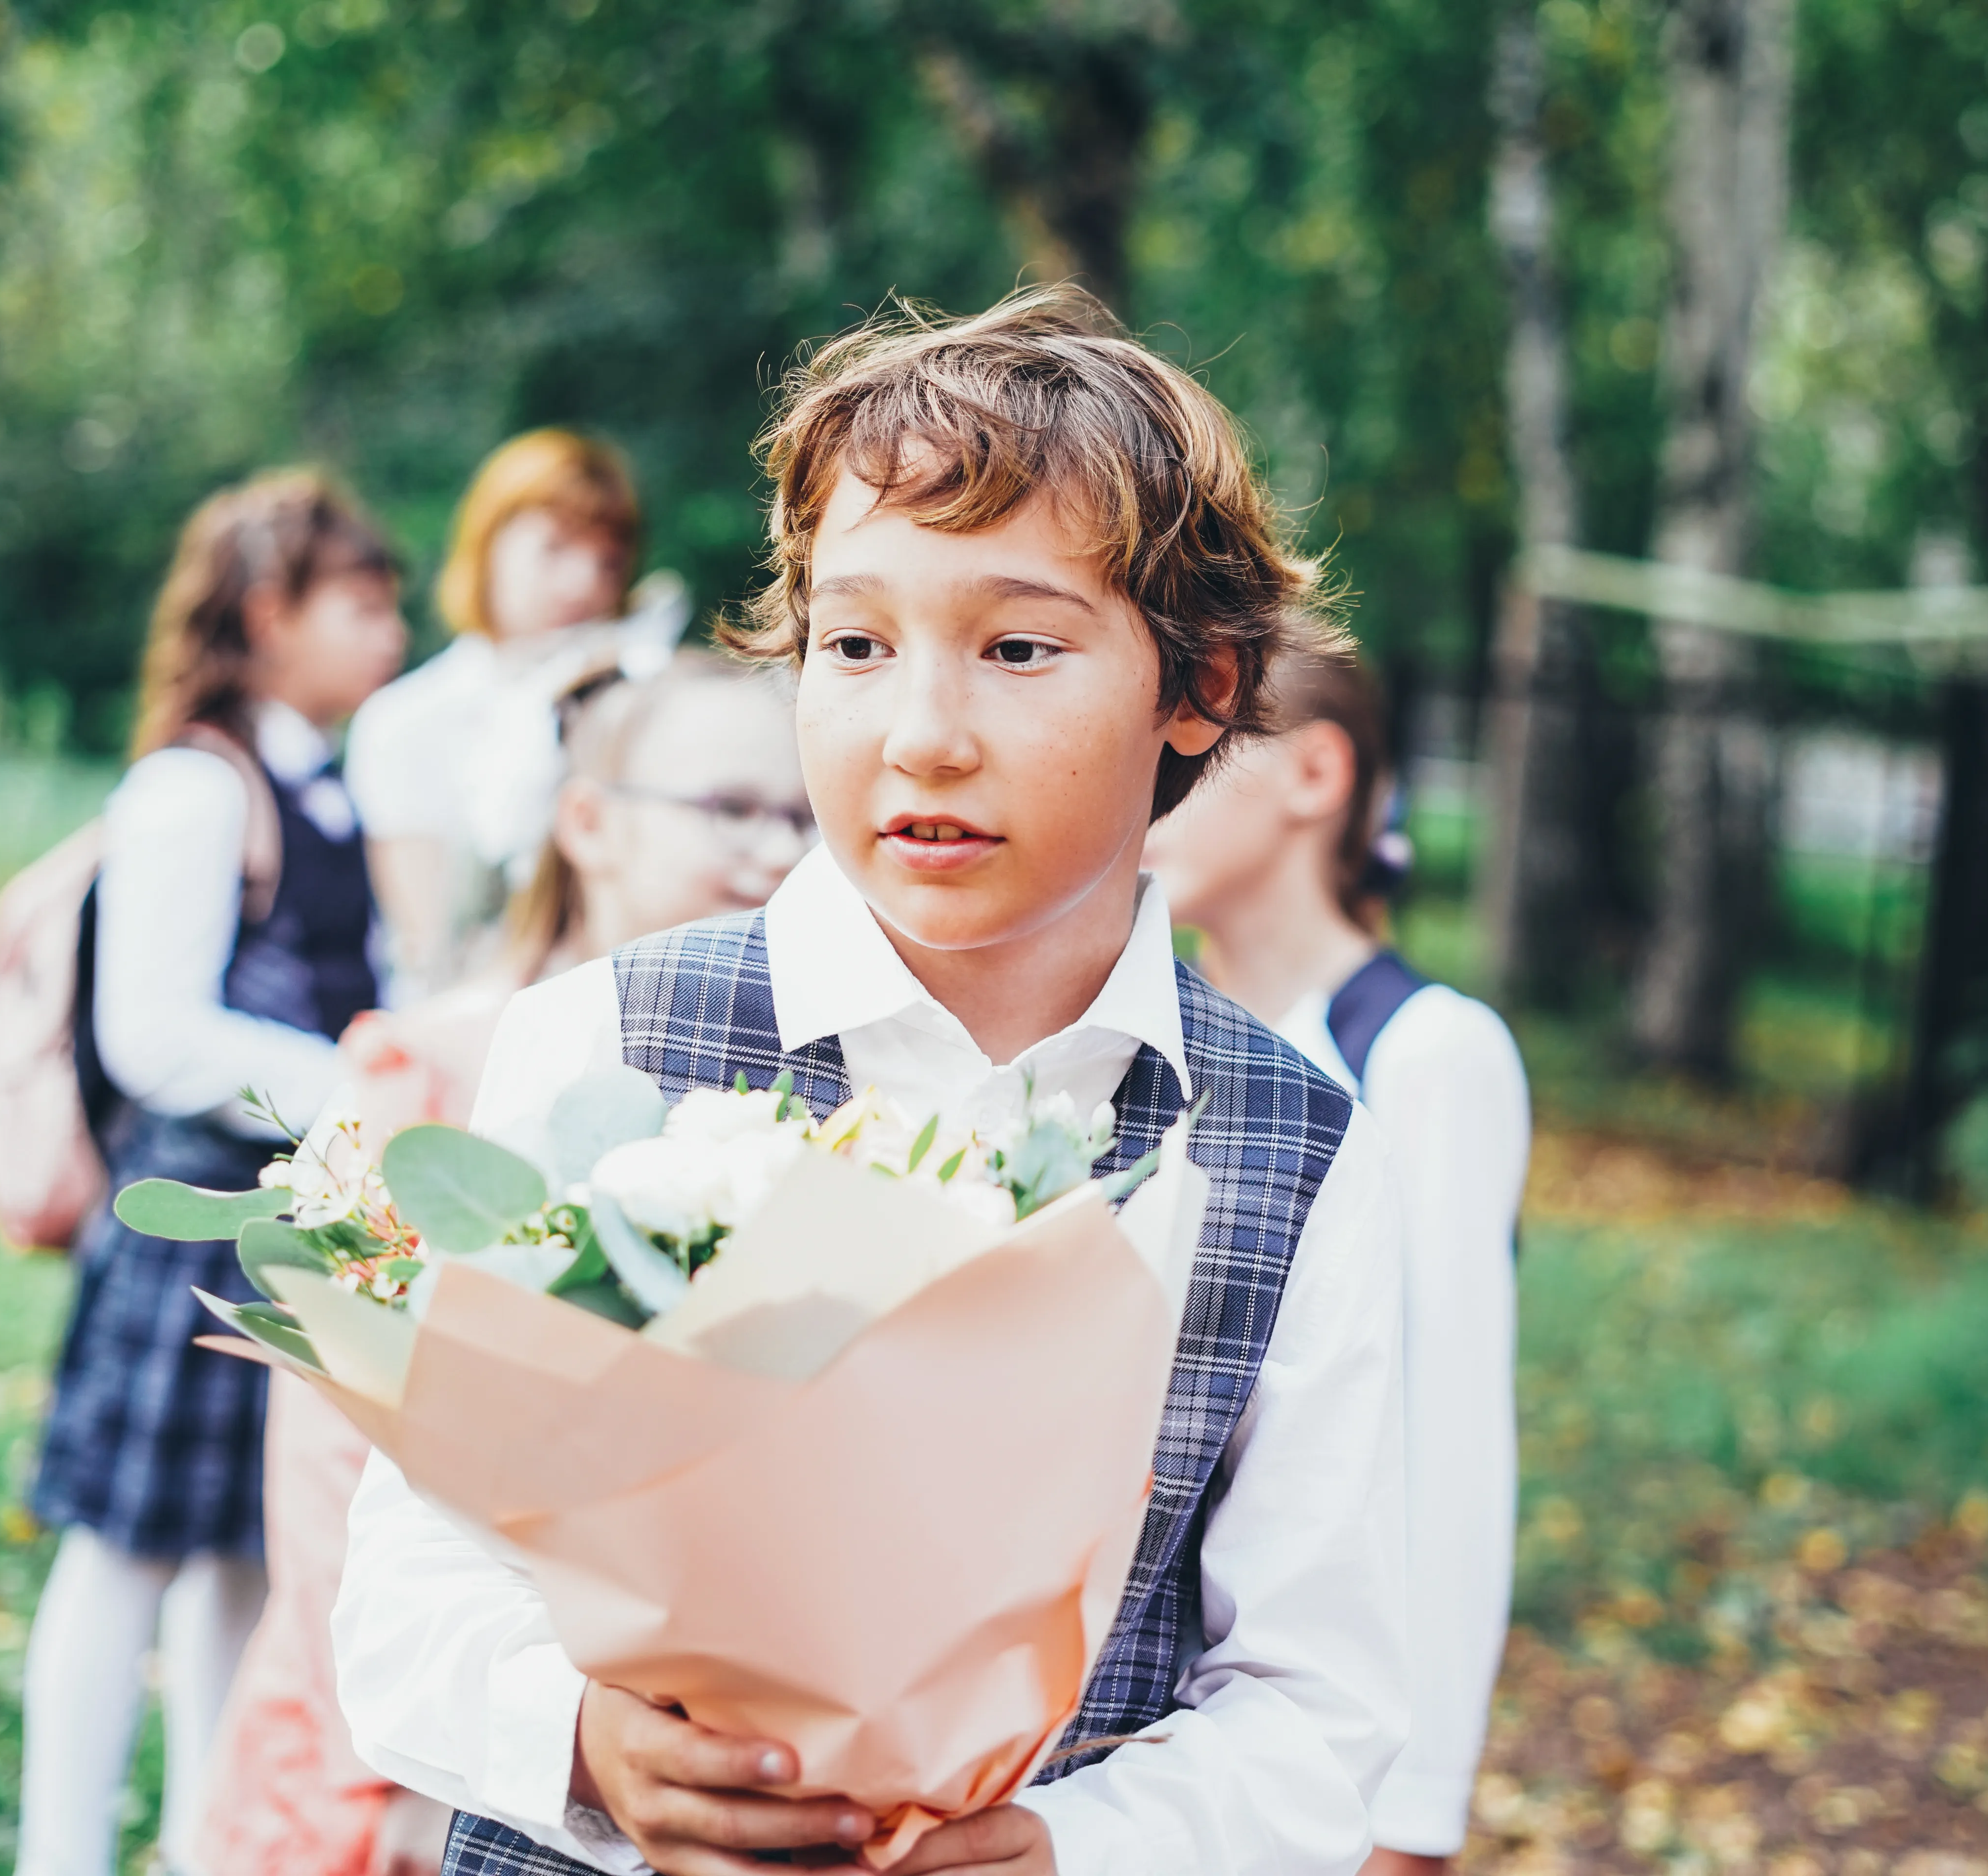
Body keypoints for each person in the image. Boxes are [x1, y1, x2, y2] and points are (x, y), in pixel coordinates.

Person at [331, 284, 1411, 1876]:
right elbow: (410, 1581)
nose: (922, 732)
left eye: (1019, 648)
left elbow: (1318, 1703)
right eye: (855, 642)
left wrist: (1071, 1847)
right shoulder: (603, 1041)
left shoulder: (1301, 1152)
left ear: (1206, 686)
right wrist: (587, 1737)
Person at [192, 653, 812, 1876]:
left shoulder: (787, 1108)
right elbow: (333, 1485)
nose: (776, 851)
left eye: (803, 817)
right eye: (732, 809)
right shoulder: (426, 1079)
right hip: (407, 1754)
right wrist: (413, 1778)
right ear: (587, 821)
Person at [17, 469, 408, 1876]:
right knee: (121, 1555)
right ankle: (56, 1855)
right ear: (265, 611)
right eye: (359, 605)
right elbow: (155, 1035)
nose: (391, 634)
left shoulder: (324, 785)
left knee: (254, 1548)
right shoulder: (194, 787)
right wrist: (356, 1087)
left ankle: (205, 1845)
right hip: (194, 1216)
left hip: (302, 1219)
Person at [1143, 646, 1528, 1876]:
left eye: (1199, 746)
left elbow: (1450, 1447)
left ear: (1316, 769)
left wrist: (1412, 1816)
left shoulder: (1427, 1055)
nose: (1150, 778)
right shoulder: (1141, 1034)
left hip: (1306, 1752)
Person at [344, 429, 691, 998]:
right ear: (487, 548)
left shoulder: (641, 696)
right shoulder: (405, 721)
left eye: (606, 562)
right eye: (554, 549)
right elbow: (430, 938)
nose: (583, 582)